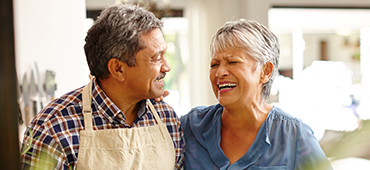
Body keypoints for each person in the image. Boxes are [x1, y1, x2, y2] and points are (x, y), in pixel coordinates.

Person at [20, 4, 184, 170]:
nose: (167, 67)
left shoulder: (166, 118)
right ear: (118, 69)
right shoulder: (52, 130)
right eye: (157, 58)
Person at [180, 19, 332, 169]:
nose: (219, 73)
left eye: (232, 62)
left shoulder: (294, 135)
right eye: (214, 64)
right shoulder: (191, 126)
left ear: (265, 72)